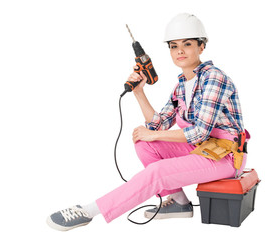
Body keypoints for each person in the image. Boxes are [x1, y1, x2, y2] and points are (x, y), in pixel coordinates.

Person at [47, 13, 248, 231]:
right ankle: (179, 203)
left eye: (187, 44)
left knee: (158, 171)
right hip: (202, 149)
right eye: (173, 46)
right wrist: (139, 92)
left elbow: (199, 132)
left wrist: (152, 133)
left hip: (226, 157)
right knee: (146, 144)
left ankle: (89, 211)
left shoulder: (214, 78)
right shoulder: (182, 85)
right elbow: (159, 124)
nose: (179, 51)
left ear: (201, 47)